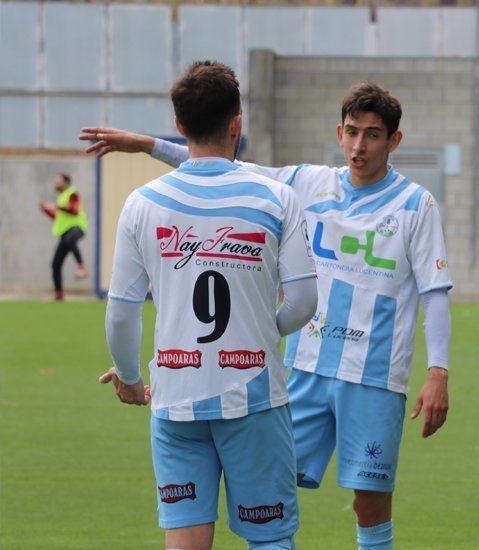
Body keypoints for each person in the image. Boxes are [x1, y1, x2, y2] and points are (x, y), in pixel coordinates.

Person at [82, 82, 452, 550]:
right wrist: (145, 145)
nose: (360, 146)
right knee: (268, 499)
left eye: (373, 135)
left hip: (375, 373)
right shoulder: (305, 183)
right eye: (353, 132)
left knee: (369, 501)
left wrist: (438, 371)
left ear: (393, 141)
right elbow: (223, 169)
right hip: (302, 367)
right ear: (339, 133)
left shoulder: (416, 204)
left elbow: (436, 292)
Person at [99, 60, 317, 550]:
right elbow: (303, 302)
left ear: (179, 125)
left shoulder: (141, 203)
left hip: (175, 396)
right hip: (255, 397)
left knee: (187, 543)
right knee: (269, 540)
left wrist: (130, 377)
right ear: (237, 123)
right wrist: (261, 330)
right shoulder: (277, 198)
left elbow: (121, 311)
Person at [39, 172, 88, 300]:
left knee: (70, 240)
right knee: (55, 263)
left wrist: (56, 206)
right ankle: (59, 294)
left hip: (77, 228)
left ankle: (81, 267)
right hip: (65, 232)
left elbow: (74, 210)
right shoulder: (61, 197)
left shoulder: (72, 194)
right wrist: (46, 210)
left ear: (66, 182)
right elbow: (59, 218)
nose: (56, 182)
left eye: (58, 180)